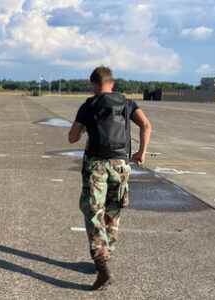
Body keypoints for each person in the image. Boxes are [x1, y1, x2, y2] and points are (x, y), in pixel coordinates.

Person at [68, 66, 152, 290]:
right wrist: (141, 153)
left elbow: (72, 137)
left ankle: (103, 268)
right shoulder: (127, 103)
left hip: (97, 165)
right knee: (113, 212)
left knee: (93, 212)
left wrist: (86, 126)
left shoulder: (89, 105)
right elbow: (146, 125)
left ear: (94, 84)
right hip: (121, 165)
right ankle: (106, 256)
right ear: (112, 83)